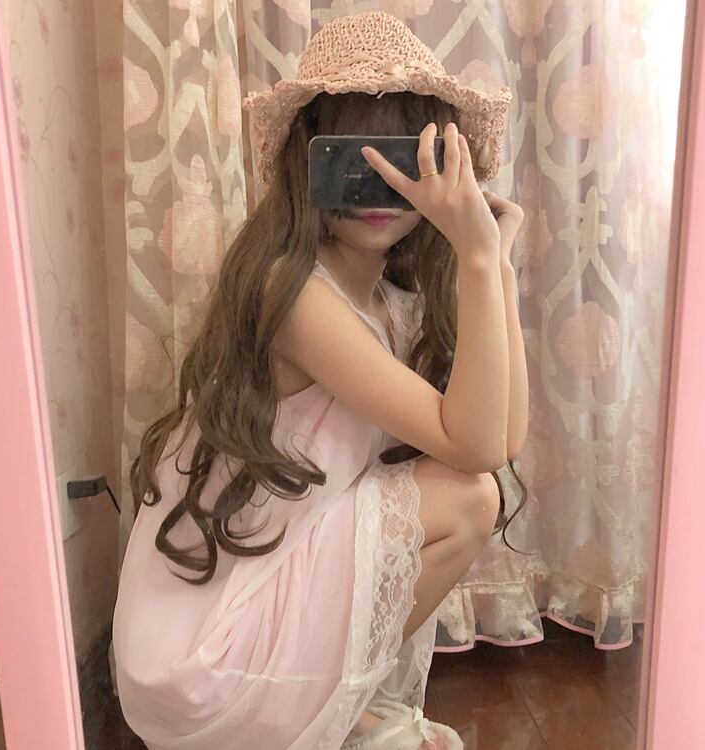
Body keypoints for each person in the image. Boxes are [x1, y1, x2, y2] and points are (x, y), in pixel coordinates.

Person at [112, 10, 527, 750]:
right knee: (468, 496)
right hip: (204, 654)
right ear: (304, 164)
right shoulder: (294, 291)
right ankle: (315, 719)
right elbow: (477, 452)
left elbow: (502, 435)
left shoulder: (392, 301)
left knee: (471, 486)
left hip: (263, 591)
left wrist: (494, 262)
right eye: (349, 157)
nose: (378, 186)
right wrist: (472, 253)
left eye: (402, 158)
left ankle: (330, 707)